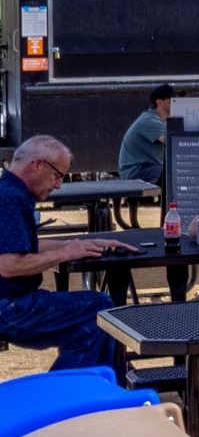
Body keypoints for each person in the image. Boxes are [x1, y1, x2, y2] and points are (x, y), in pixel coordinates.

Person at [0, 136, 138, 370]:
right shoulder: (11, 199)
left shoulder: (10, 191)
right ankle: (70, 392)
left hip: (13, 304)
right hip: (12, 307)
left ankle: (95, 387)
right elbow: (9, 265)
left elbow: (25, 247)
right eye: (58, 174)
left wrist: (79, 244)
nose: (58, 184)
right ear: (37, 165)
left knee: (90, 328)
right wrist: (64, 254)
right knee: (101, 307)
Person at [117, 84, 175, 184]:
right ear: (159, 102)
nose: (175, 102)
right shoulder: (149, 120)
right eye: (171, 99)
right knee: (170, 173)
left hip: (149, 168)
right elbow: (171, 142)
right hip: (135, 172)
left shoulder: (162, 121)